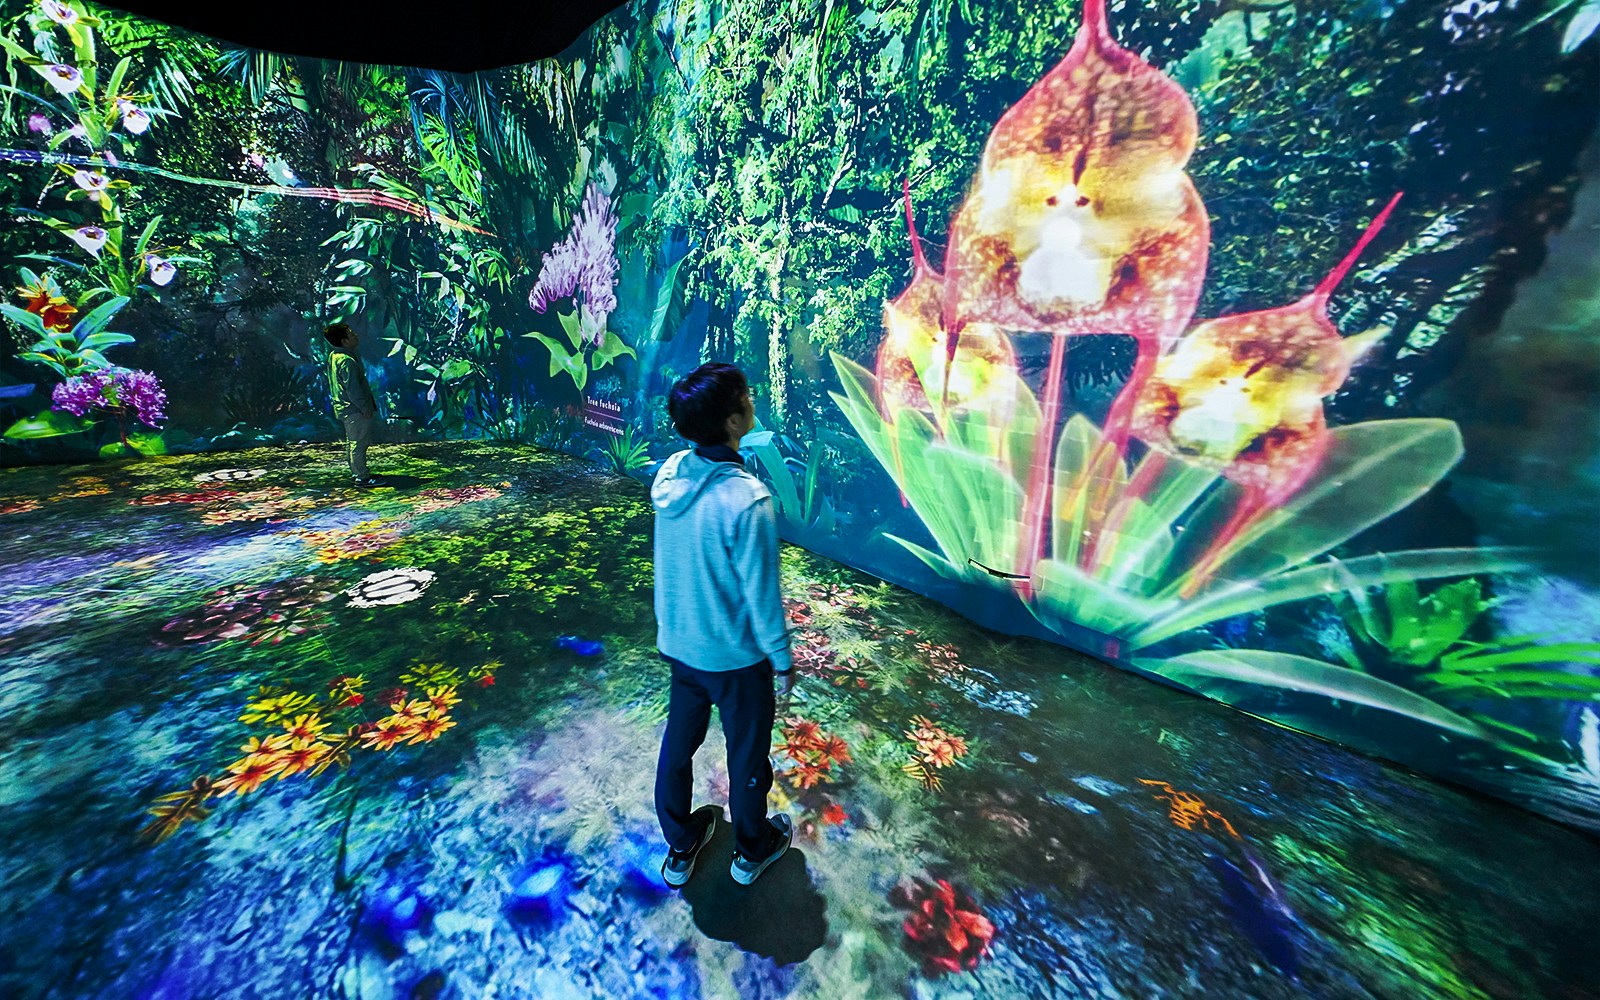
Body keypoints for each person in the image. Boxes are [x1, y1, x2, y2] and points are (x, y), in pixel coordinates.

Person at [651, 363, 795, 888]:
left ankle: (681, 843)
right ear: (734, 422)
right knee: (748, 752)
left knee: (679, 743)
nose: (753, 401)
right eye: (747, 397)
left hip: (681, 647)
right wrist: (781, 658)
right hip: (735, 659)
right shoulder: (748, 500)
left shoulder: (670, 477)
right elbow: (762, 599)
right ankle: (751, 850)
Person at [323, 322, 380, 487]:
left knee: (353, 441)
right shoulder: (347, 361)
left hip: (345, 408)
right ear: (344, 341)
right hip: (354, 409)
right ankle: (362, 477)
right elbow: (354, 389)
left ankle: (357, 471)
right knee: (358, 443)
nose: (356, 335)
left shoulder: (334, 356)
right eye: (351, 333)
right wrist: (365, 407)